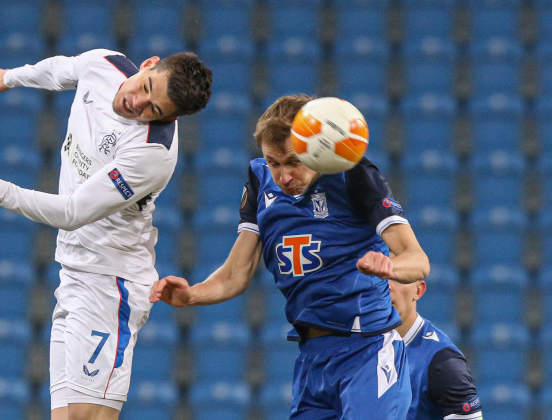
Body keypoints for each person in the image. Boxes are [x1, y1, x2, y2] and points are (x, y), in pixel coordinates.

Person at [0, 49, 212, 420]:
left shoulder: (151, 154)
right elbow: (62, 70)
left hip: (110, 285)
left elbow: (72, 212)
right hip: (75, 272)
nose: (136, 102)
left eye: (152, 109)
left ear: (170, 117)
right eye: (145, 87)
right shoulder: (104, 63)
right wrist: (12, 76)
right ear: (147, 65)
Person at [150, 94, 431, 419]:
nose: (283, 176)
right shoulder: (259, 180)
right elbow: (235, 274)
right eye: (274, 162)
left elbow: (417, 259)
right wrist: (192, 295)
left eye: (293, 162)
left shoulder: (353, 175)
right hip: (311, 358)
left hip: (367, 349)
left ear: (317, 149)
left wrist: (390, 266)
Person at [389, 279, 483, 419]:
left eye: (398, 278)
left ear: (418, 290)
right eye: (380, 277)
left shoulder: (442, 361)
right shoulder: (356, 349)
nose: (388, 286)